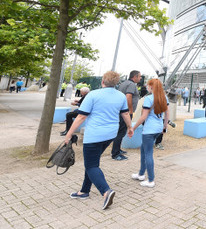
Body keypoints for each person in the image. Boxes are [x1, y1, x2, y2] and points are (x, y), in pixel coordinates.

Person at [63, 71, 132, 210]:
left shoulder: (93, 95)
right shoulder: (121, 96)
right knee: (92, 163)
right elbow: (125, 113)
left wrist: (69, 134)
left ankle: (106, 191)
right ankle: (84, 191)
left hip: (94, 135)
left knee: (91, 166)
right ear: (116, 83)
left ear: (102, 81)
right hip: (110, 134)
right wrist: (130, 127)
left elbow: (81, 117)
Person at [130, 79, 169, 188]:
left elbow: (143, 117)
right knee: (143, 149)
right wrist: (164, 126)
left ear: (151, 87)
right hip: (158, 128)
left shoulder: (148, 99)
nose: (146, 86)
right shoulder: (164, 98)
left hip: (149, 130)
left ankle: (151, 180)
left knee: (148, 153)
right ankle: (141, 174)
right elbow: (167, 114)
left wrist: (133, 127)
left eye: (148, 85)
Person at [111, 70, 141, 161]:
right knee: (121, 132)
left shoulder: (124, 83)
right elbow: (128, 96)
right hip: (125, 112)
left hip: (121, 111)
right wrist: (130, 111)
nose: (140, 78)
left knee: (121, 131)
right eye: (139, 76)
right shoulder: (131, 85)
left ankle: (118, 149)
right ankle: (115, 154)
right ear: (134, 77)